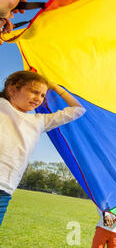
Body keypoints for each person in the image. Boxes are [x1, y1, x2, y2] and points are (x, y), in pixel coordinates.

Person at [0, 70, 85, 227]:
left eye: (42, 95)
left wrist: (56, 88)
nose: (39, 99)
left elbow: (78, 110)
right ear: (12, 89)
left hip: (5, 189)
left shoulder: (39, 121)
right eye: (33, 92)